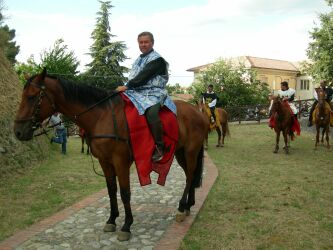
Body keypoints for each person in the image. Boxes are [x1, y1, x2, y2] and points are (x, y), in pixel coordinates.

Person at [116, 31, 176, 162]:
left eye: (146, 42)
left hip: (153, 92)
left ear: (152, 43)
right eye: (141, 42)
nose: (143, 44)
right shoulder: (139, 59)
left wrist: (127, 86)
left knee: (151, 112)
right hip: (136, 91)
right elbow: (135, 76)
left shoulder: (157, 59)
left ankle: (160, 147)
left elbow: (144, 76)